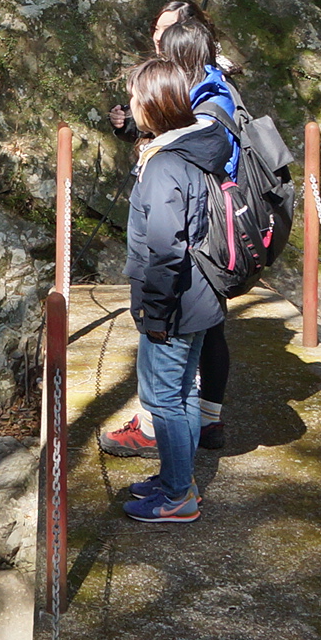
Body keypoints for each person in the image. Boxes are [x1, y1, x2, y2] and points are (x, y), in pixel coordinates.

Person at [102, 1, 238, 457]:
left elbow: (164, 244)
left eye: (164, 33)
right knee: (198, 343)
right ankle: (194, 431)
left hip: (205, 240)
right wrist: (135, 131)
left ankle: (172, 449)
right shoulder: (196, 88)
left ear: (186, 40)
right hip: (203, 234)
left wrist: (153, 314)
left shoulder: (209, 97)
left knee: (175, 372)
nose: (156, 39)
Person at [116, 56, 229, 524]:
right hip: (201, 296)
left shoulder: (164, 165)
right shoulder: (193, 149)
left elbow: (164, 248)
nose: (129, 104)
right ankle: (176, 479)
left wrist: (155, 315)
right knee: (181, 394)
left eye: (133, 96)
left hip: (175, 304)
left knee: (163, 397)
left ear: (152, 103)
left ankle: (178, 494)